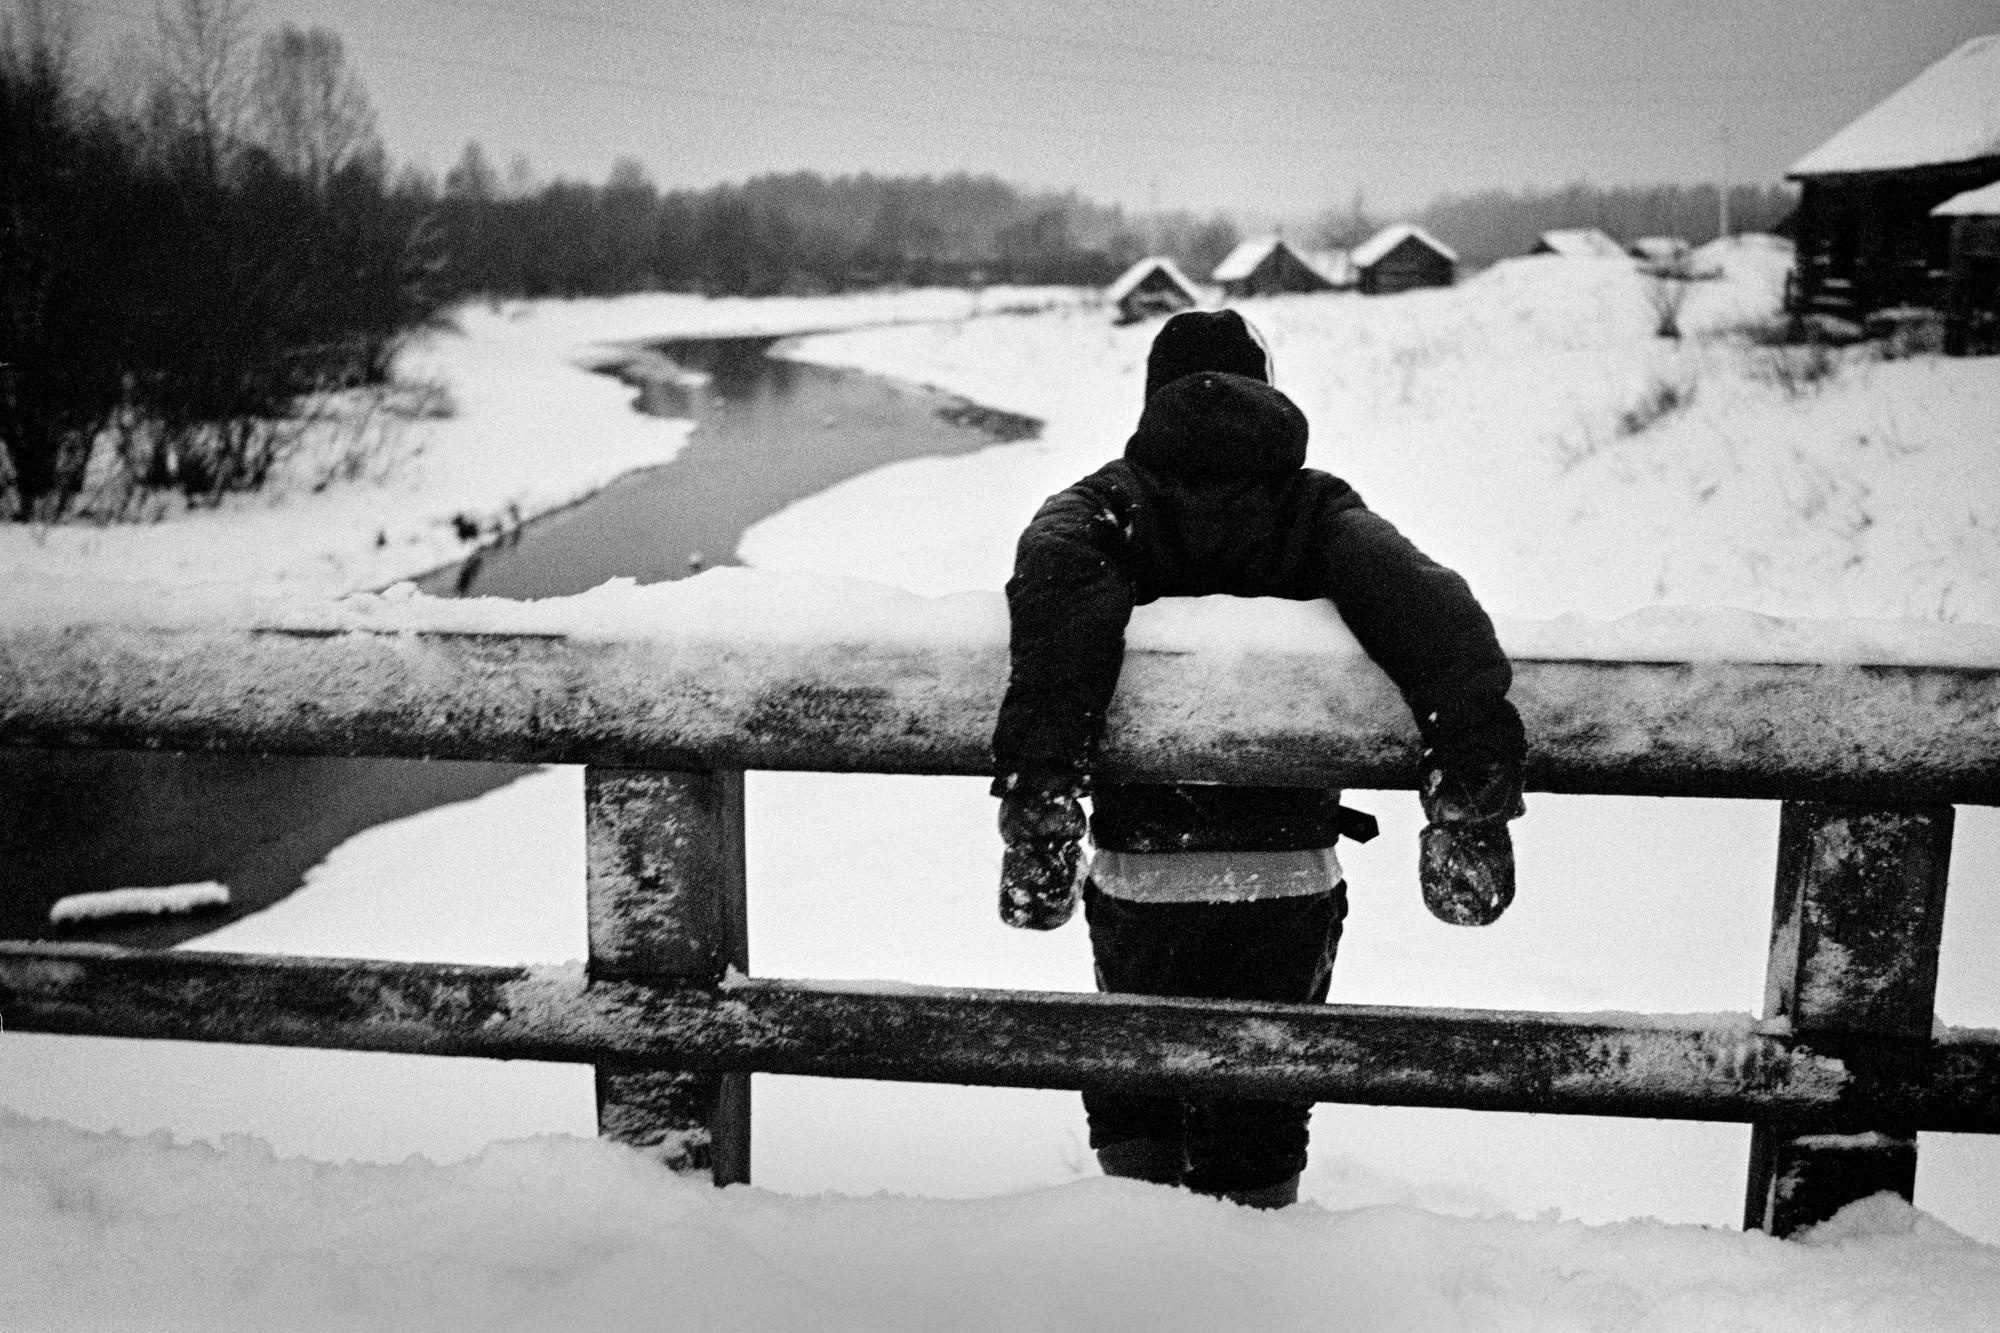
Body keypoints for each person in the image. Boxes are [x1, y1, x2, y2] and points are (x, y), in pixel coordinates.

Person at [990, 308, 1525, 1209]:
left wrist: (1044, 787)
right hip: (1287, 875)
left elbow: (1058, 597)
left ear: (1154, 397)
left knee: (1134, 1080)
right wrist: (1470, 780)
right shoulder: (1313, 509)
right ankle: (1253, 1259)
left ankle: (1146, 1258)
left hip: (1144, 871)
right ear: (1266, 392)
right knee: (1265, 1102)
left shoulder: (1107, 504)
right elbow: (1430, 612)